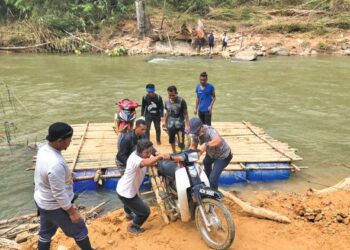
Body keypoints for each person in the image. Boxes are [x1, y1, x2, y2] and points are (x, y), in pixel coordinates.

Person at [34, 122, 93, 250]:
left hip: (42, 201)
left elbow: (49, 176)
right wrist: (72, 212)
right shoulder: (55, 164)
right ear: (60, 141)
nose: (70, 142)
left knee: (45, 232)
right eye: (69, 140)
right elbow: (59, 194)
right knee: (79, 229)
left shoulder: (44, 150)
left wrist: (67, 175)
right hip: (55, 206)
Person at [117, 139, 169, 234]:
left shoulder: (140, 154)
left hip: (123, 188)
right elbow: (147, 163)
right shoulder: (134, 159)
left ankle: (128, 215)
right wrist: (160, 156)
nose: (149, 154)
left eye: (150, 151)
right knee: (145, 212)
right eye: (146, 152)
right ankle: (132, 226)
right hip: (126, 193)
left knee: (129, 204)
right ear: (140, 151)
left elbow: (150, 158)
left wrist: (156, 154)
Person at [189, 118, 232, 190]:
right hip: (211, 154)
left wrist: (206, 145)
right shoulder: (195, 133)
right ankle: (208, 182)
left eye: (197, 131)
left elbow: (218, 140)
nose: (196, 133)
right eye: (194, 132)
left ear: (202, 126)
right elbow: (193, 145)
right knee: (206, 162)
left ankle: (214, 195)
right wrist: (189, 154)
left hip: (223, 156)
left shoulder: (210, 131)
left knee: (213, 179)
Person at [163, 85, 190, 153]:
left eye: (173, 95)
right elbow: (167, 112)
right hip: (170, 124)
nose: (171, 97)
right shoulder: (166, 101)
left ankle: (182, 153)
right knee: (171, 139)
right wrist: (164, 122)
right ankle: (174, 152)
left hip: (180, 124)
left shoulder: (182, 101)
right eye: (170, 95)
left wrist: (187, 125)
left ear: (176, 93)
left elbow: (186, 113)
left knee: (181, 140)